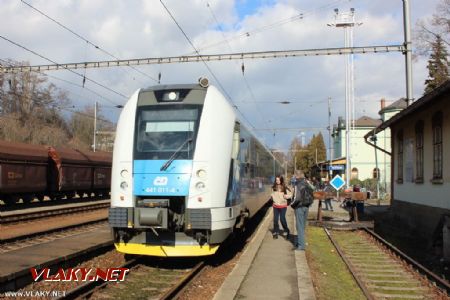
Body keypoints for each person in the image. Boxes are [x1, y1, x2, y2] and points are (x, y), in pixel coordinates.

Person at [292, 170, 315, 251]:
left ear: (297, 176)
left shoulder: (297, 184)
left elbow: (296, 197)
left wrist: (292, 204)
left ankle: (301, 246)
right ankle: (302, 242)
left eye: (295, 175)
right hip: (307, 206)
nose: (294, 177)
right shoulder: (307, 183)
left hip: (299, 207)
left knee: (299, 226)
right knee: (303, 225)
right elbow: (313, 189)